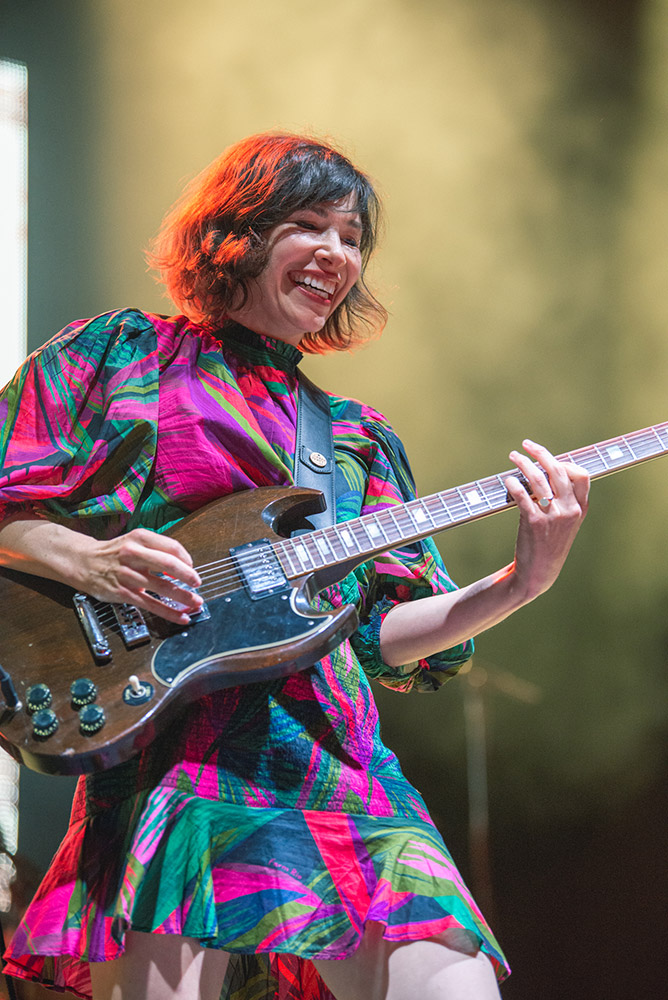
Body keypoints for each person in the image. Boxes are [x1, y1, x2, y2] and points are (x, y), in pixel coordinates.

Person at [0, 132, 589, 1000]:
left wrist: (521, 582)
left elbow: (380, 635)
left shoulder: (352, 440)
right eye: (310, 225)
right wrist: (91, 559)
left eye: (353, 238)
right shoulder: (122, 356)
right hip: (183, 759)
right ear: (235, 234)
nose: (338, 255)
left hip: (337, 764)